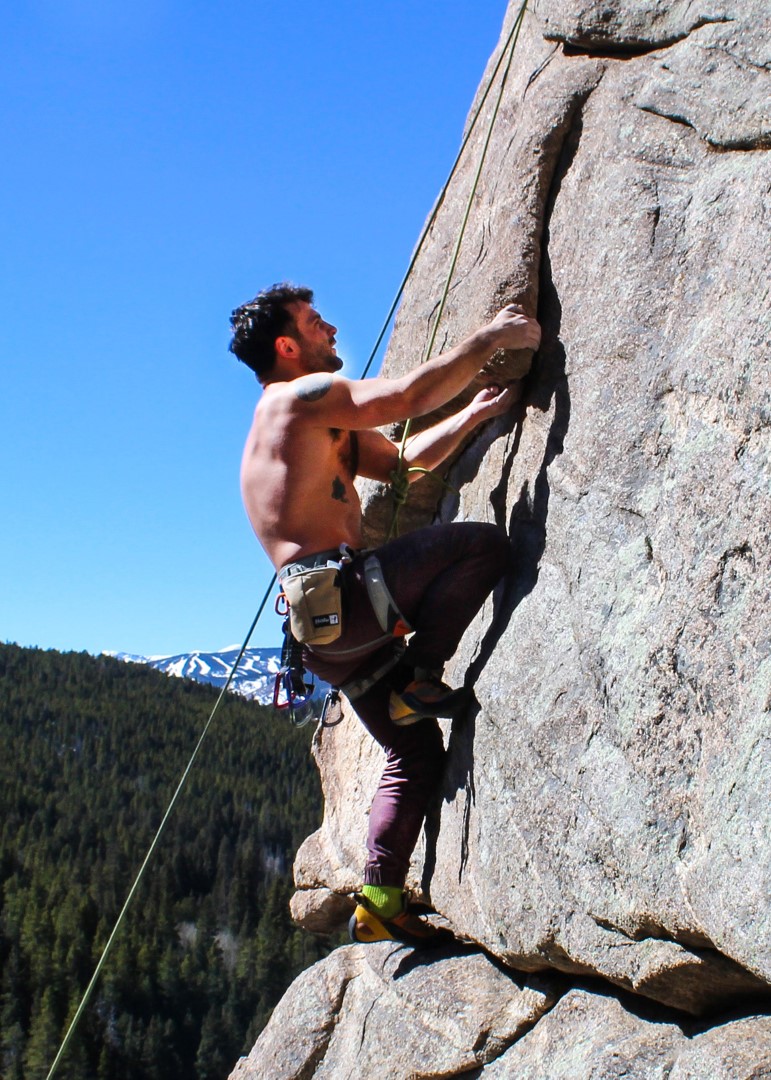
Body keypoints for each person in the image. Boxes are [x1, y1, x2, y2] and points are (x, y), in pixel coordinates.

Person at [230, 283, 541, 947]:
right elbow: (401, 401)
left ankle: (380, 898)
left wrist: (474, 413)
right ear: (288, 346)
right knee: (481, 547)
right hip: (344, 599)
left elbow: (405, 459)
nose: (332, 329)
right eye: (315, 324)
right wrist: (490, 340)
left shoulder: (314, 422)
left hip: (326, 636)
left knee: (414, 750)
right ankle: (422, 674)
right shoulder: (294, 400)